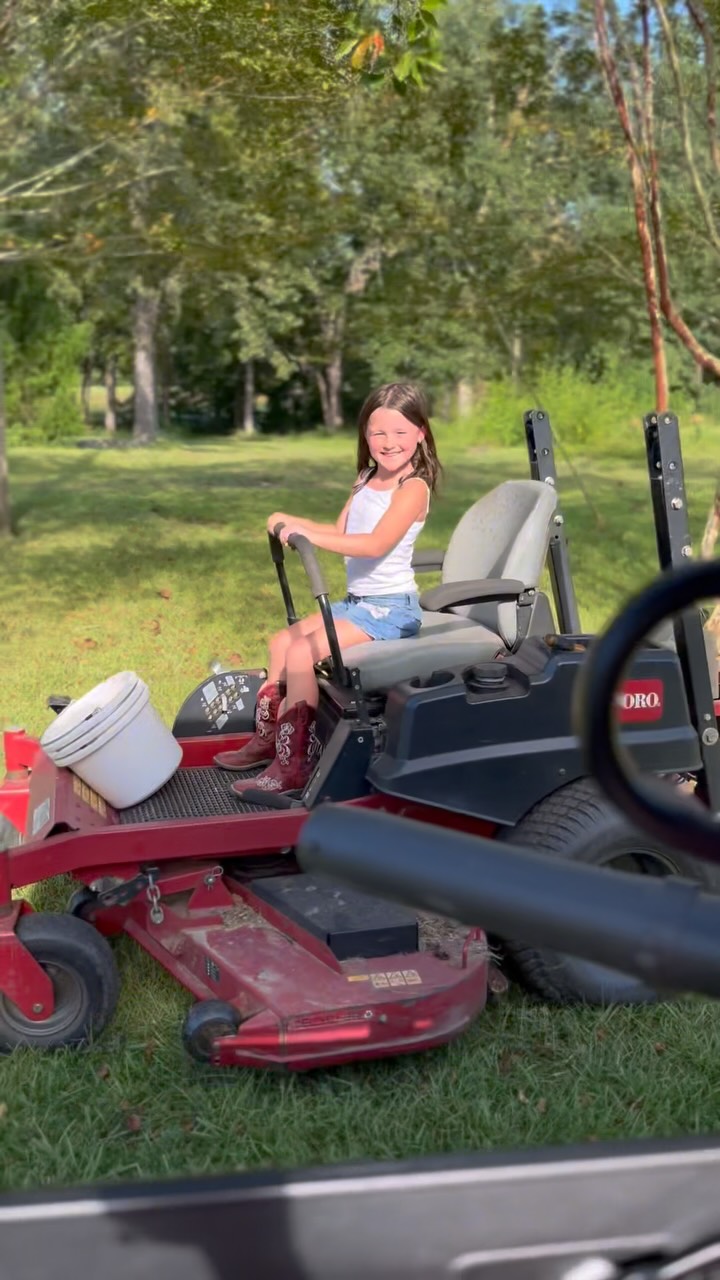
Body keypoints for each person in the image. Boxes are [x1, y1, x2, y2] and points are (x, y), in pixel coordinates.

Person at [215, 382, 442, 795]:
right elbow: (340, 531)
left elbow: (373, 544)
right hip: (359, 604)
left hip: (391, 610)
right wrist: (293, 522)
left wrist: (308, 536)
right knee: (282, 643)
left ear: (420, 433)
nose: (388, 443)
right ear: (365, 436)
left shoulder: (413, 489)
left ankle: (294, 767)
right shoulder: (365, 478)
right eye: (378, 433)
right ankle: (271, 743)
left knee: (302, 653)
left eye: (400, 433)